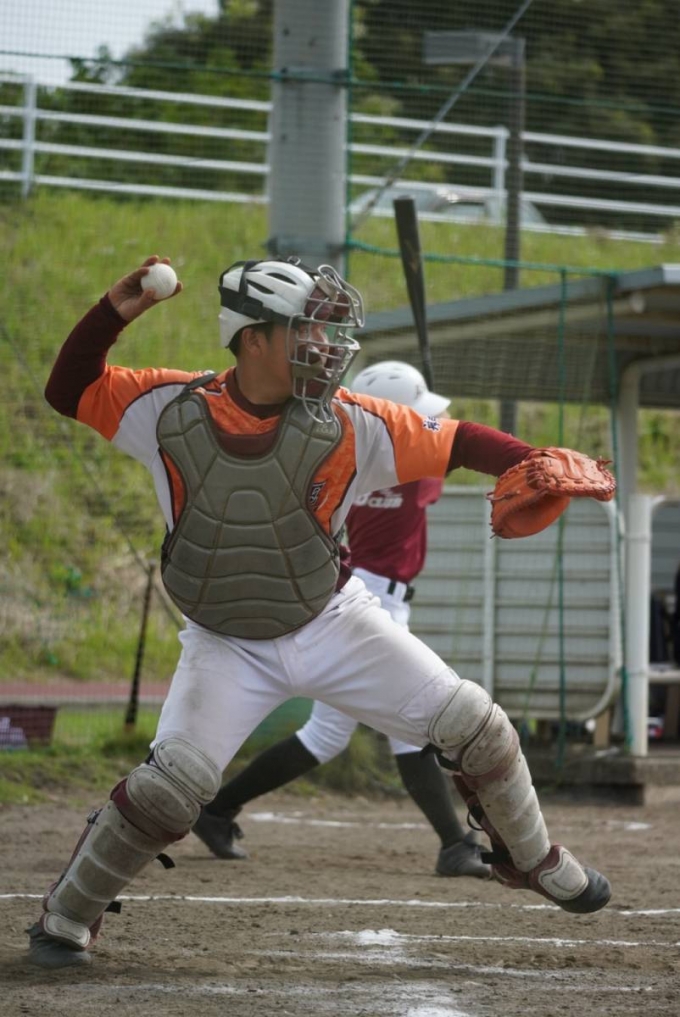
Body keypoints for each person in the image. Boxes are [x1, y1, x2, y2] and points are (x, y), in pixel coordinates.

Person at [30, 254, 611, 970]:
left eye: (326, 330)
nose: (325, 345)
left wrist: (535, 457)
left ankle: (532, 858)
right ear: (252, 339)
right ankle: (65, 918)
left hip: (332, 620)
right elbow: (68, 390)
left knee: (478, 726)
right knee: (168, 789)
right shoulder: (168, 406)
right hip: (223, 641)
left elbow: (458, 439)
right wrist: (117, 308)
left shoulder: (351, 421)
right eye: (304, 329)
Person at [192, 360, 489, 880]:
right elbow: (445, 443)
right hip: (374, 602)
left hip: (354, 590)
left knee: (327, 735)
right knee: (414, 719)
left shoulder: (349, 461)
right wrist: (430, 423)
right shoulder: (414, 472)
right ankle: (455, 844)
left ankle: (217, 810)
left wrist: (418, 415)